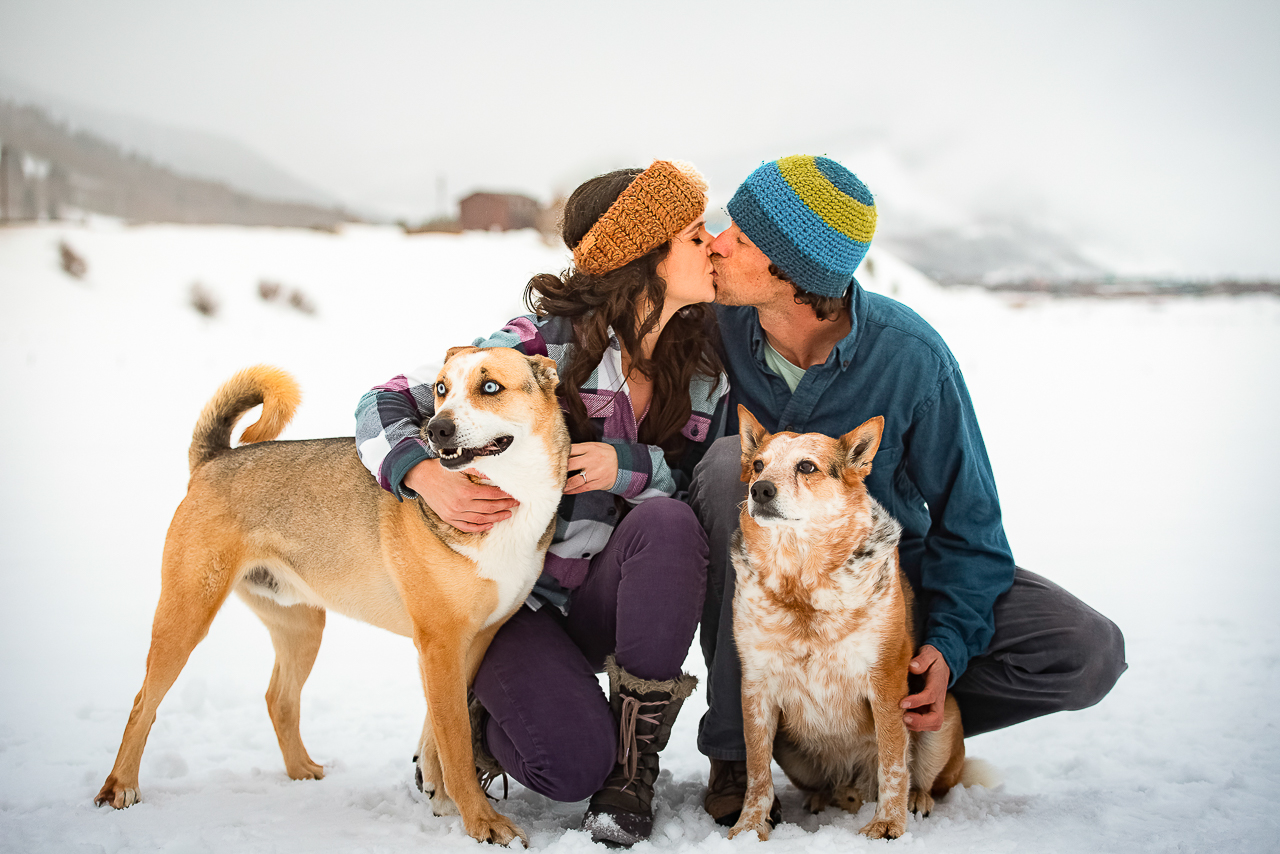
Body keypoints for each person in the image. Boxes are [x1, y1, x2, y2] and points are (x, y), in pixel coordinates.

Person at [692, 155, 1128, 826]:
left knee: (1087, 649)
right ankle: (734, 749)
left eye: (740, 239)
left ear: (792, 274)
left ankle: (882, 720)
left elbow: (971, 527)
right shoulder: (708, 329)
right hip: (765, 605)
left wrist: (946, 648)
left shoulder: (911, 357)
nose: (715, 244)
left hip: (887, 593)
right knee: (730, 468)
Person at [354, 160, 730, 847]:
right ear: (643, 255)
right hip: (515, 607)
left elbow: (694, 485)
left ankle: (634, 769)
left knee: (668, 522)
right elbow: (384, 400)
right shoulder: (539, 344)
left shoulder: (703, 366)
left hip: (613, 597)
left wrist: (629, 466)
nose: (713, 243)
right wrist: (418, 473)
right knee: (567, 766)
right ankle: (482, 718)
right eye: (693, 233)